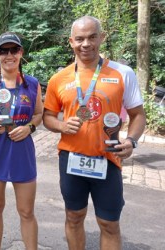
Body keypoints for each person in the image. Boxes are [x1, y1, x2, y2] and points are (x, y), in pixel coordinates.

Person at [43, 16, 146, 250]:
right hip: (71, 158)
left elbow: (138, 115)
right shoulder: (59, 78)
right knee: (73, 216)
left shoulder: (123, 73)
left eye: (91, 37)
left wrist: (131, 140)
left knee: (109, 223)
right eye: (79, 39)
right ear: (71, 41)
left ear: (102, 37)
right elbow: (48, 117)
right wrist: (61, 125)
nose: (86, 44)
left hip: (108, 158)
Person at [0, 32, 43, 249]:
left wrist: (29, 128)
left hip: (23, 155)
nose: (9, 55)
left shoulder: (32, 84)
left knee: (27, 211)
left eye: (14, 50)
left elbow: (39, 115)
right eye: (4, 51)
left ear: (21, 53)